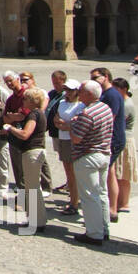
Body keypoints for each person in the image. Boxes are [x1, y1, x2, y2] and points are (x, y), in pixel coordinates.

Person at [68, 79, 113, 246]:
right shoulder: (105, 108)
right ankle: (104, 228)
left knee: (89, 196)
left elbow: (76, 138)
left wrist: (72, 125)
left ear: (89, 94)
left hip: (88, 156)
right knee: (102, 193)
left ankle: (94, 233)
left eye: (81, 91)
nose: (78, 93)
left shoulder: (87, 114)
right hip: (103, 154)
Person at [6, 87, 49, 233]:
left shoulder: (34, 114)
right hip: (37, 151)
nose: (23, 101)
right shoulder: (40, 113)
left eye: (25, 98)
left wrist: (10, 128)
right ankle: (38, 219)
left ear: (32, 101)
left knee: (31, 187)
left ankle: (36, 221)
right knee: (33, 186)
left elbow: (25, 134)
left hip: (32, 152)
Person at [91, 67, 127, 224]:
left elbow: (108, 118)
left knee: (106, 174)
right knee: (109, 173)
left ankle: (111, 208)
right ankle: (111, 208)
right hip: (107, 139)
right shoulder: (104, 93)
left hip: (112, 139)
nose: (93, 81)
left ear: (105, 77)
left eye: (96, 78)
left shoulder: (112, 94)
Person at [52, 79, 83, 215]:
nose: (68, 93)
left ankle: (75, 202)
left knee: (75, 173)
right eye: (66, 90)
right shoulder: (62, 103)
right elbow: (56, 120)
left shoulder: (80, 105)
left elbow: (75, 124)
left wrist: (65, 125)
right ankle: (73, 200)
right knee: (69, 173)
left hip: (74, 141)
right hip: (63, 139)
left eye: (70, 90)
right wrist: (64, 125)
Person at [112, 77, 138, 214]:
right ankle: (119, 202)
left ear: (124, 89)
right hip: (122, 139)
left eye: (116, 89)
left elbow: (116, 121)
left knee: (123, 174)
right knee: (118, 174)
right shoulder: (122, 102)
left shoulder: (126, 105)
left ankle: (124, 202)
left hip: (125, 140)